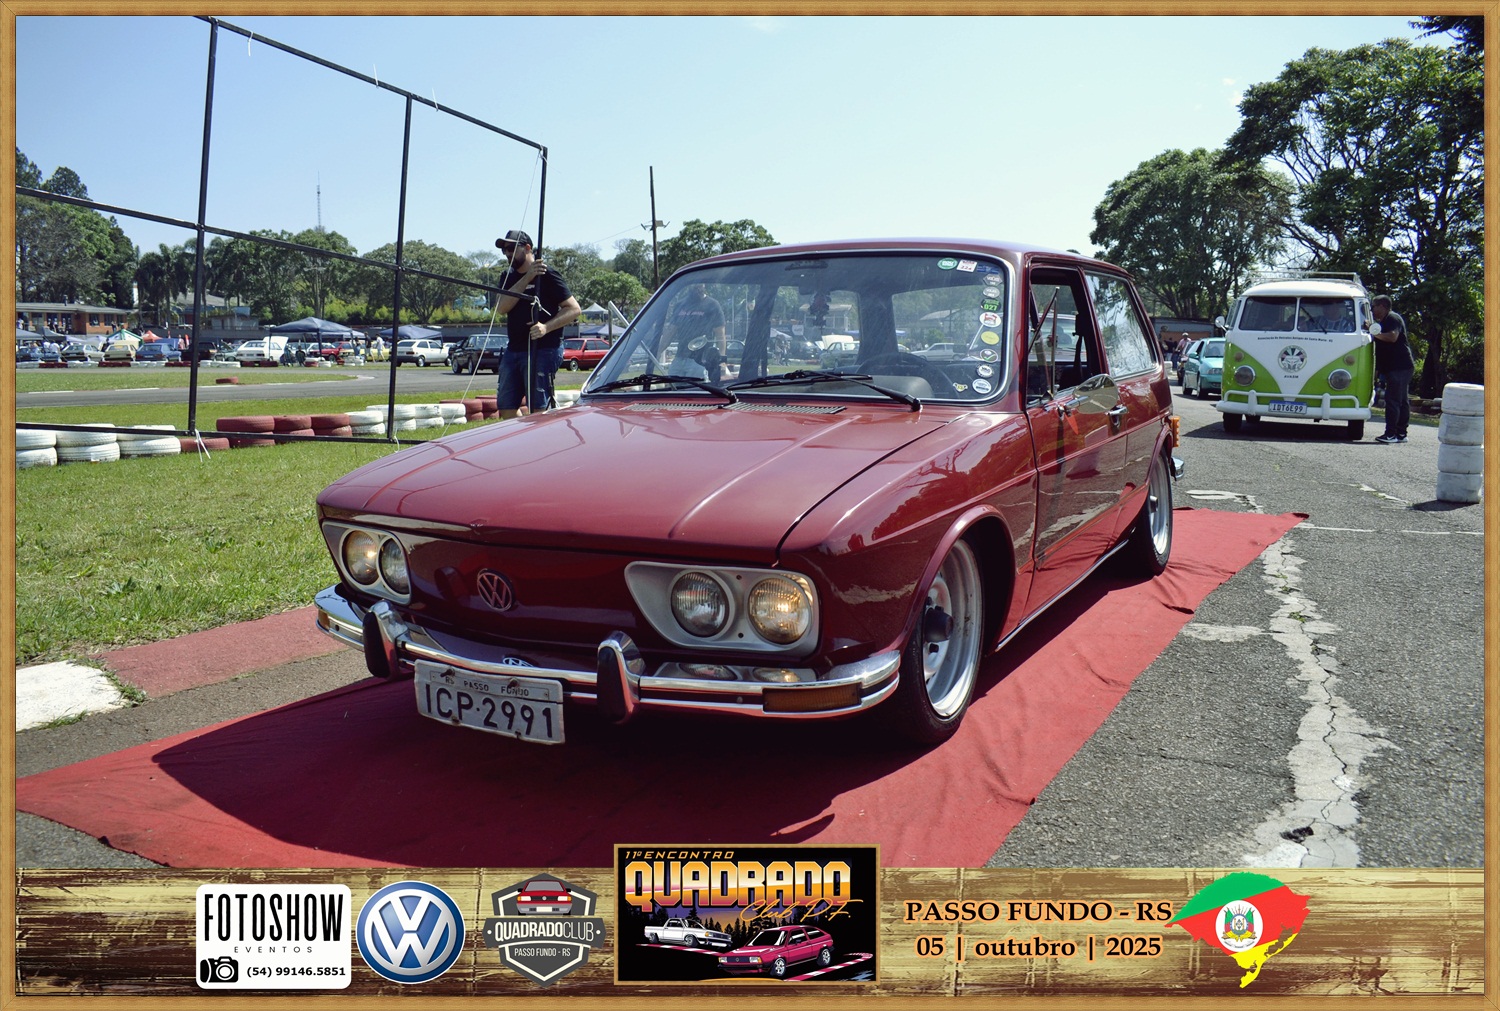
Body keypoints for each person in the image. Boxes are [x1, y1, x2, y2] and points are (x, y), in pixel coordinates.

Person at [493, 229, 581, 420]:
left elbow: (574, 309)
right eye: (504, 250)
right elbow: (501, 308)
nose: (507, 253)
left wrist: (546, 327)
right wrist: (527, 278)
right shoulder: (507, 276)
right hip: (514, 349)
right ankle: (521, 437)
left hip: (544, 349)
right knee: (506, 406)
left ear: (527, 248)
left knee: (538, 408)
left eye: (511, 248)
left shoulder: (547, 274)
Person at [658, 283, 727, 380]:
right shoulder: (680, 305)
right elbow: (670, 332)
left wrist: (722, 360)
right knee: (672, 387)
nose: (696, 286)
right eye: (694, 283)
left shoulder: (712, 305)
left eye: (700, 283)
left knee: (696, 388)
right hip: (679, 359)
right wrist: (658, 352)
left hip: (700, 361)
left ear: (704, 285)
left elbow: (720, 335)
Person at [1370, 294, 1414, 444]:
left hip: (1400, 366)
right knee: (1401, 400)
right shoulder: (1383, 321)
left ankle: (1391, 434)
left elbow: (1392, 337)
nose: (1372, 310)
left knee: (1393, 400)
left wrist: (1373, 333)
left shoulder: (1392, 318)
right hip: (1395, 367)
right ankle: (1401, 433)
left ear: (1382, 306)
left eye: (1374, 306)